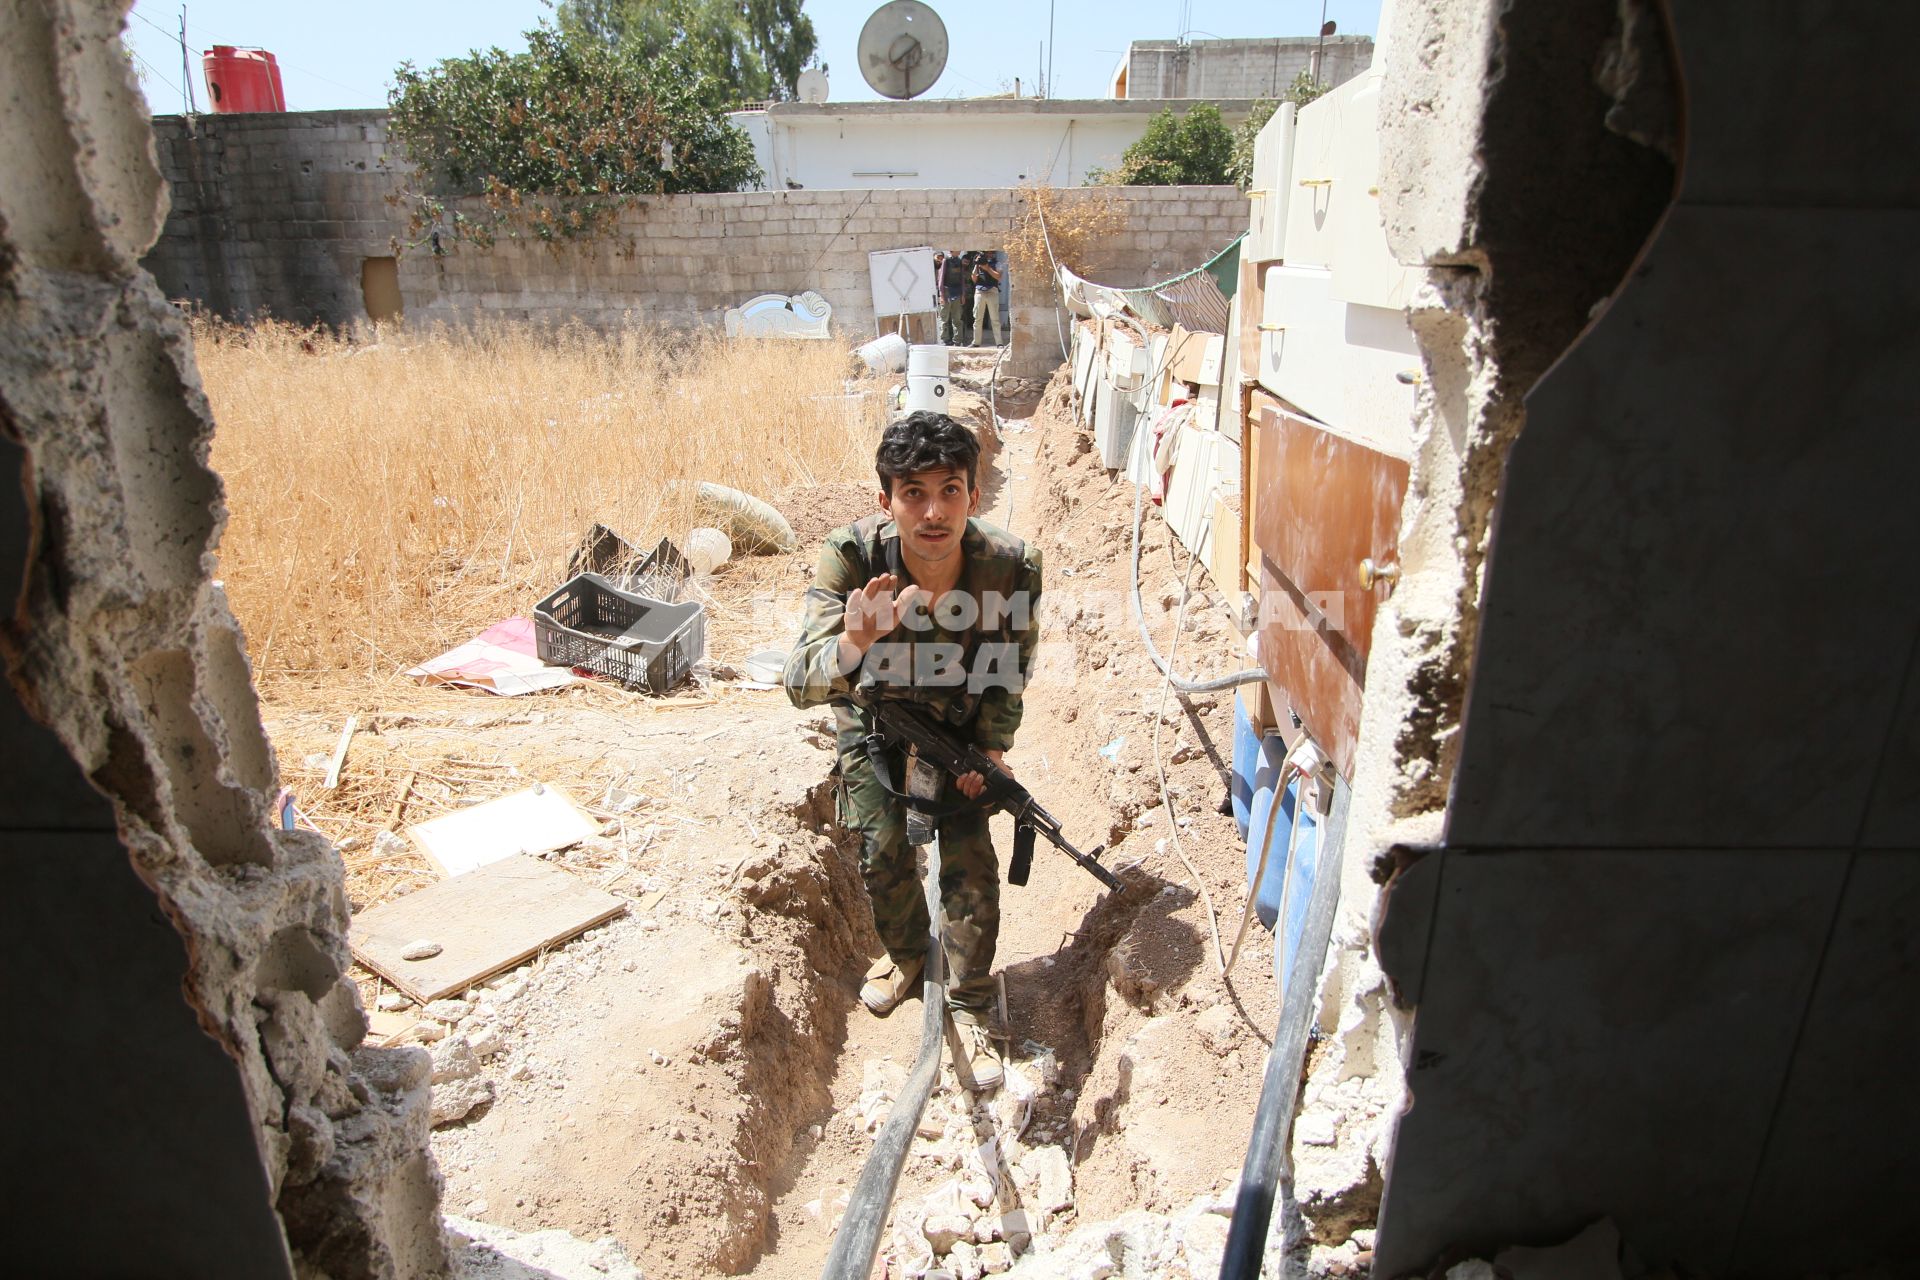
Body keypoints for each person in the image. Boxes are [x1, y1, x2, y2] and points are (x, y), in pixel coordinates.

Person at [783, 410, 1043, 1092]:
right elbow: (799, 682)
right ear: (886, 500)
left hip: (954, 725)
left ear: (975, 493)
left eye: (950, 490)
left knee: (971, 863)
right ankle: (904, 957)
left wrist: (990, 750)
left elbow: (1008, 668)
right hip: (873, 720)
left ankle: (970, 1000)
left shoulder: (1010, 566)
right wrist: (855, 643)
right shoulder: (852, 557)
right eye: (914, 493)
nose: (934, 512)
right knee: (882, 849)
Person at [936, 249, 970, 345]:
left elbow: (961, 279)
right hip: (947, 293)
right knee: (944, 318)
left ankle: (957, 340)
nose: (959, 250)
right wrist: (942, 295)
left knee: (957, 318)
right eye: (957, 248)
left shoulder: (959, 261)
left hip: (957, 293)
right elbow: (941, 279)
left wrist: (963, 294)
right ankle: (944, 339)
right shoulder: (945, 260)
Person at [970, 251, 1004, 347]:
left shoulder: (997, 263)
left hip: (992, 290)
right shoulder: (979, 263)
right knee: (977, 318)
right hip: (979, 291)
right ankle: (976, 342)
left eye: (991, 252)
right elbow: (974, 279)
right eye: (987, 253)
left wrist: (987, 268)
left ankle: (999, 343)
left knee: (995, 319)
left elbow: (998, 276)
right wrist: (977, 264)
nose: (989, 254)